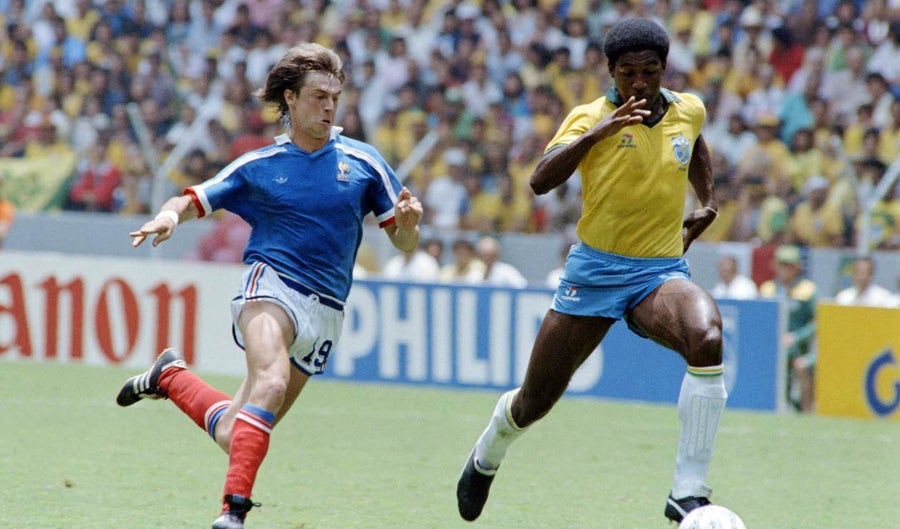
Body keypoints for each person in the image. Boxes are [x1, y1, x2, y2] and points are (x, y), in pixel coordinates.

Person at [114, 43, 423, 529]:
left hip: (327, 311)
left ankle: (170, 377)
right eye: (318, 96)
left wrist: (408, 225)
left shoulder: (364, 162)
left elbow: (403, 243)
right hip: (272, 285)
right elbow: (192, 199)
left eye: (335, 97)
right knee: (272, 382)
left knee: (236, 431)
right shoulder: (259, 165)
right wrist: (168, 217)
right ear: (290, 99)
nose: (329, 106)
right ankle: (233, 512)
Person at [456, 18, 727, 526]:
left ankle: (688, 491)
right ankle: (489, 450)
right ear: (610, 72)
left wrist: (708, 200)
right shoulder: (588, 116)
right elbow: (540, 181)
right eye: (628, 73)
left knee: (708, 337)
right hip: (595, 272)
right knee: (535, 401)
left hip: (659, 271)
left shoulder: (688, 109)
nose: (639, 82)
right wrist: (601, 133)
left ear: (664, 68)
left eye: (650, 71)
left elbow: (694, 143)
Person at [759, 245, 817, 413]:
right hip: (772, 347)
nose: (785, 269)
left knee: (801, 365)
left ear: (798, 267)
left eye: (789, 265)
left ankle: (805, 410)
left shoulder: (807, 290)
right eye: (782, 264)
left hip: (798, 349)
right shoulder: (767, 289)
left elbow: (817, 322)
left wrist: (797, 337)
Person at [834, 256, 899, 308]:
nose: (859, 276)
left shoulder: (883, 298)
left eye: (862, 273)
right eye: (856, 272)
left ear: (871, 275)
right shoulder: (843, 297)